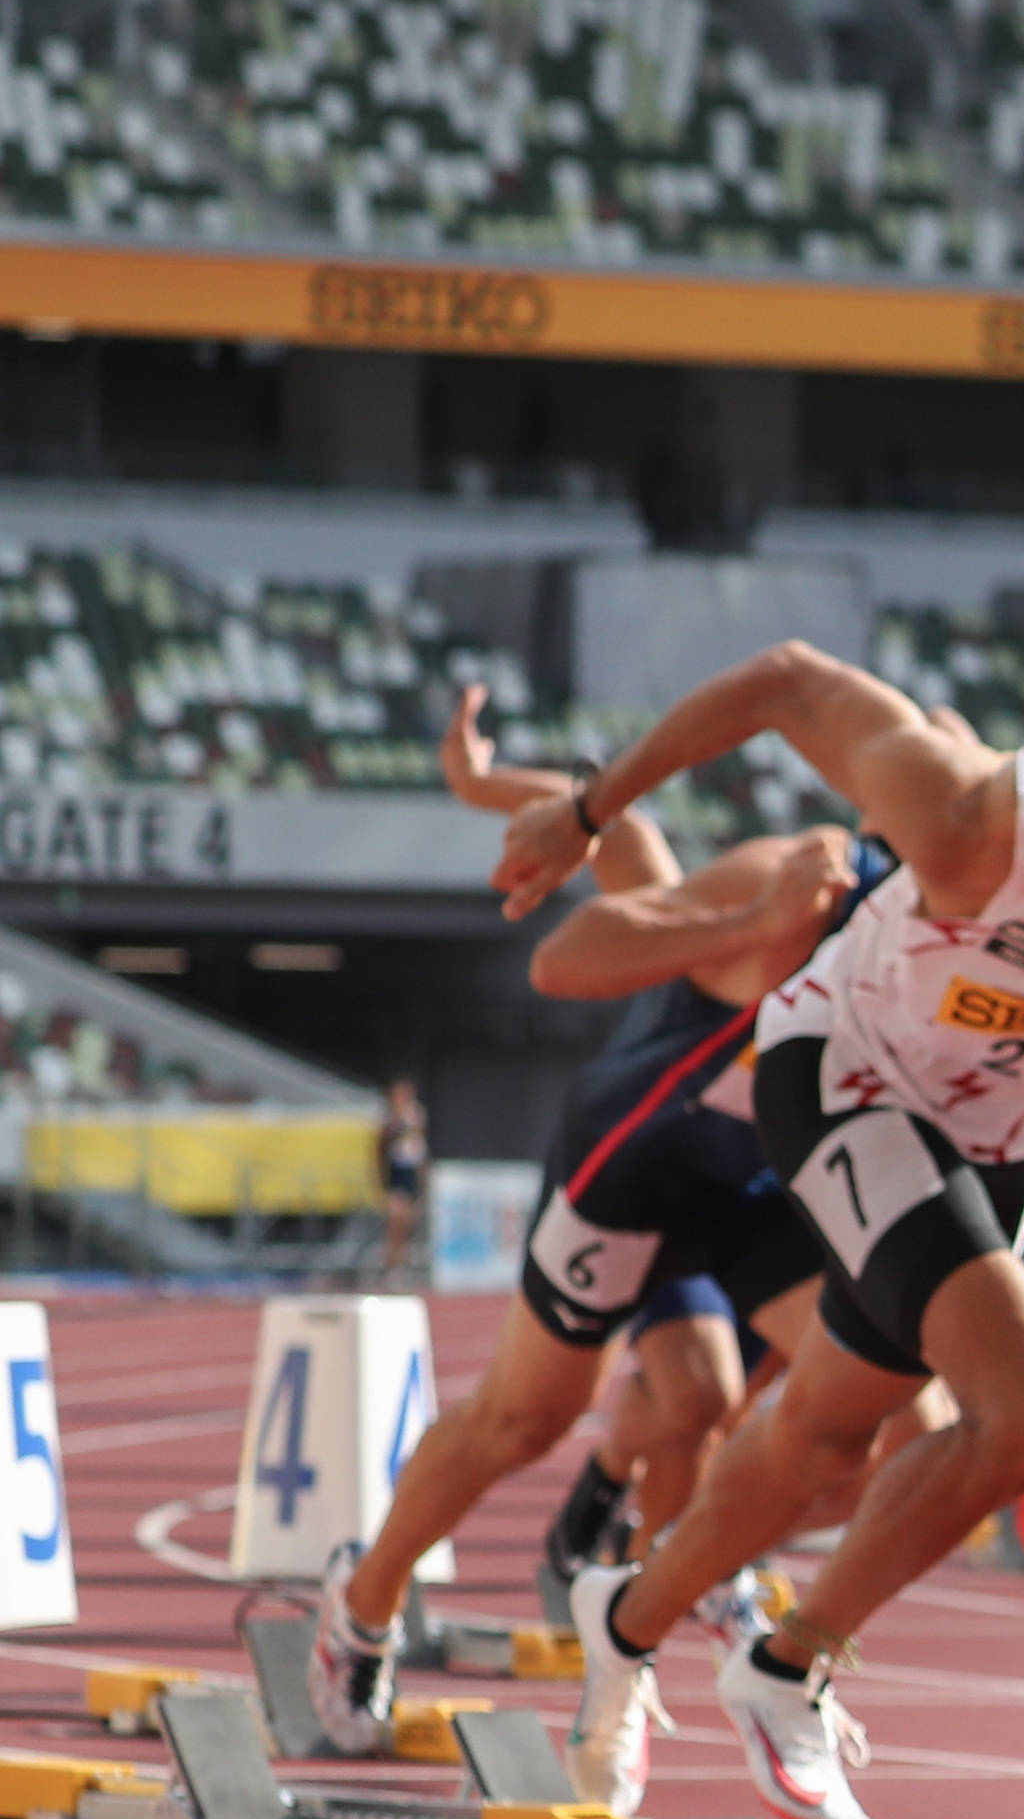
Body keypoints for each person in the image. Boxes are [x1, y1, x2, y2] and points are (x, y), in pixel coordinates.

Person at [485, 648, 1024, 1819]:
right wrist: (586, 808)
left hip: (1005, 1134)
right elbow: (786, 682)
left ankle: (626, 1614)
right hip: (847, 1079)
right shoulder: (977, 816)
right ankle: (788, 1664)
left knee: (822, 1437)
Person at [307, 689, 866, 1757]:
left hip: (747, 1193)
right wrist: (483, 791)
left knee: (816, 1406)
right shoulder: (770, 895)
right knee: (527, 1419)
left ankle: (652, 1619)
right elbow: (619, 850)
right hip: (628, 1170)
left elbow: (630, 835)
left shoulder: (947, 964)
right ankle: (362, 1597)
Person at [374, 1080, 429, 1284]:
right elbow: (381, 1145)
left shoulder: (416, 1114)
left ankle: (400, 1264)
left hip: (411, 1173)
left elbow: (419, 1146)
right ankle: (392, 1267)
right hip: (396, 1172)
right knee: (396, 1220)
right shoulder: (389, 1116)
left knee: (408, 1222)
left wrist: (423, 1174)